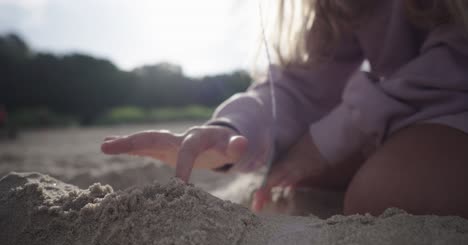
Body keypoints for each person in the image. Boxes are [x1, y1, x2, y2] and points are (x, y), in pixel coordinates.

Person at [102, 0, 468, 218]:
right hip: (413, 111)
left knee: (380, 194)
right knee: (298, 179)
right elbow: (297, 85)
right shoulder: (335, 7)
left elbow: (454, 64)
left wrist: (327, 140)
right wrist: (232, 129)